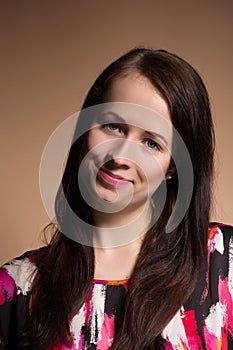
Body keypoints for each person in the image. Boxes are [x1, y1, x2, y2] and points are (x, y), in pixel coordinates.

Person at [0, 48, 232, 350]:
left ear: (174, 166)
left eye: (151, 143)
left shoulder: (224, 261)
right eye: (113, 126)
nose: (120, 156)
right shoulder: (18, 287)